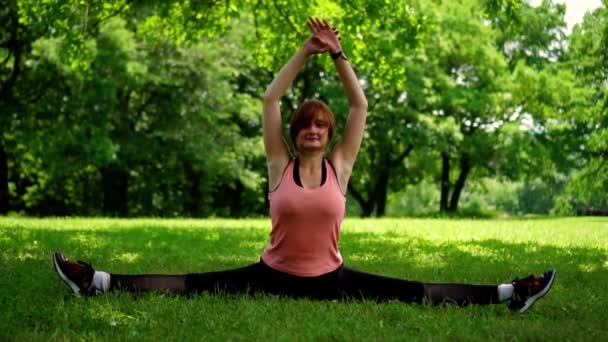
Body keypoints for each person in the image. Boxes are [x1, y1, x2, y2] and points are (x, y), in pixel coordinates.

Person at [52, 18, 556, 313]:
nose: (312, 130)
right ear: (295, 134)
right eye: (305, 125)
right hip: (272, 275)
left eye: (320, 125)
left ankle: (513, 292)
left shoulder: (341, 164)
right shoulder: (280, 165)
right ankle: (94, 281)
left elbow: (359, 106)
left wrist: (337, 54)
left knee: (415, 292)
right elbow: (271, 99)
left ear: (329, 134)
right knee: (191, 283)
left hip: (332, 279)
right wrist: (304, 50)